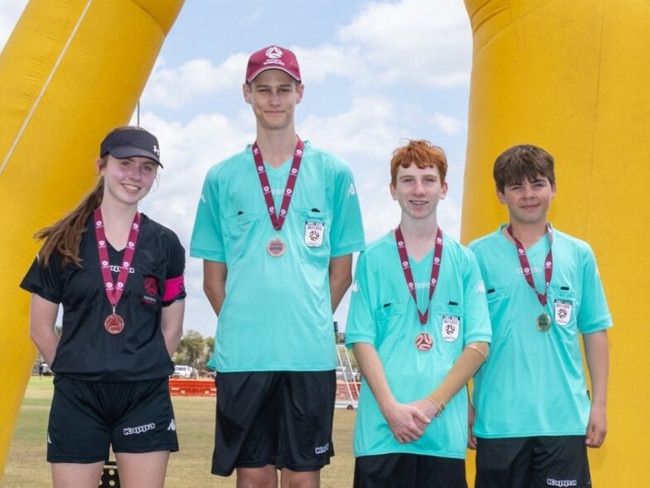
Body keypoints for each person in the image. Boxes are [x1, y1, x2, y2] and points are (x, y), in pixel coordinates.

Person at [189, 45, 365, 487]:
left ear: (299, 93)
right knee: (252, 478)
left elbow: (341, 273)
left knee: (303, 480)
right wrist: (250, 325)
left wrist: (302, 322)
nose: (274, 99)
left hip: (309, 355)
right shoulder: (221, 177)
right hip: (243, 357)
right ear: (246, 93)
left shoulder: (334, 173)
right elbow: (213, 282)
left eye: (283, 89)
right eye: (263, 89)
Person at [20, 126, 186, 488]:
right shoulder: (62, 241)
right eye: (125, 163)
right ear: (102, 165)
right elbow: (40, 328)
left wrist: (146, 367)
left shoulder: (166, 244)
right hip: (78, 396)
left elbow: (172, 326)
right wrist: (74, 371)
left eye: (147, 167)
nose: (135, 175)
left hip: (144, 396)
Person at [345, 139, 491, 488]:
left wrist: (432, 406)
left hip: (442, 437)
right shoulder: (373, 258)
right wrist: (391, 410)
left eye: (428, 179)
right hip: (381, 433)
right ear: (393, 190)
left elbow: (479, 345)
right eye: (407, 180)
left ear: (444, 188)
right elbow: (361, 340)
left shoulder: (464, 261)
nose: (418, 189)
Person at [468, 144, 612, 488]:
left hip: (564, 422)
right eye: (517, 187)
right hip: (498, 422)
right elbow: (463, 342)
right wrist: (465, 405)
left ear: (554, 188)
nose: (529, 195)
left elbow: (594, 331)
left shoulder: (578, 254)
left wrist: (600, 405)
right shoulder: (475, 256)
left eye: (537, 184)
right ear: (501, 195)